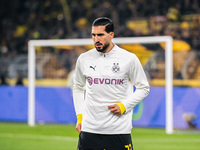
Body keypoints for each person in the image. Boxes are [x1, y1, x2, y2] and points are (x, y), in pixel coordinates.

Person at [73, 17, 150, 150]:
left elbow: (144, 87)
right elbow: (78, 87)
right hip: (89, 130)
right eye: (94, 35)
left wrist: (124, 105)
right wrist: (80, 116)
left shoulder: (129, 59)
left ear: (111, 35)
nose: (96, 39)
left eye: (101, 35)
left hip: (118, 131)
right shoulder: (84, 59)